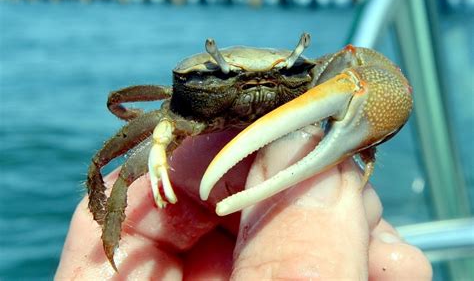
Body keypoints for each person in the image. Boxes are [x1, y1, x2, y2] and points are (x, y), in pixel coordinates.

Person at [55, 127, 432, 280]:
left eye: (276, 79)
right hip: (198, 115)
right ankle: (108, 248)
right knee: (119, 174)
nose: (256, 92)